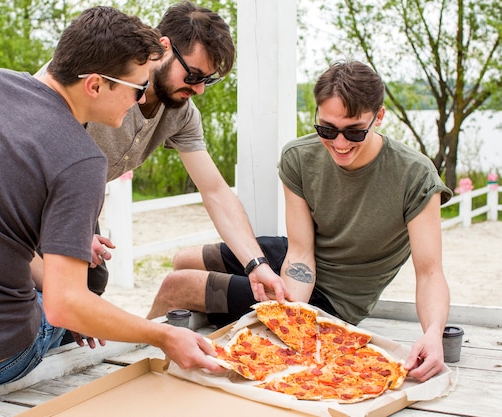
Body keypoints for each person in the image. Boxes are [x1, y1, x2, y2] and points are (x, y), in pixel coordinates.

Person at [0, 6, 221, 392]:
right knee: (80, 300)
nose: (141, 101)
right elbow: (63, 303)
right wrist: (163, 337)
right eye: (137, 88)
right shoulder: (82, 157)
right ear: (94, 84)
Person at [147, 60, 452, 382]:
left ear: (379, 116)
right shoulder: (299, 156)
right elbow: (301, 251)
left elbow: (430, 272)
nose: (340, 143)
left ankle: (129, 353)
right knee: (183, 259)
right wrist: (290, 312)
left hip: (337, 296)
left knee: (176, 285)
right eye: (327, 129)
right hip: (299, 261)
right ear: (317, 115)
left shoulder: (416, 175)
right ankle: (206, 316)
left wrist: (433, 334)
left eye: (354, 131)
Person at [42, 1, 290, 347]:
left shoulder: (181, 113)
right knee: (48, 296)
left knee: (93, 283)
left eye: (208, 80)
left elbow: (214, 191)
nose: (200, 89)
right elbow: (36, 156)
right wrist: (62, 229)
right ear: (163, 47)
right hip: (39, 202)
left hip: (78, 205)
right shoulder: (99, 79)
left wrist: (256, 264)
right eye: (194, 75)